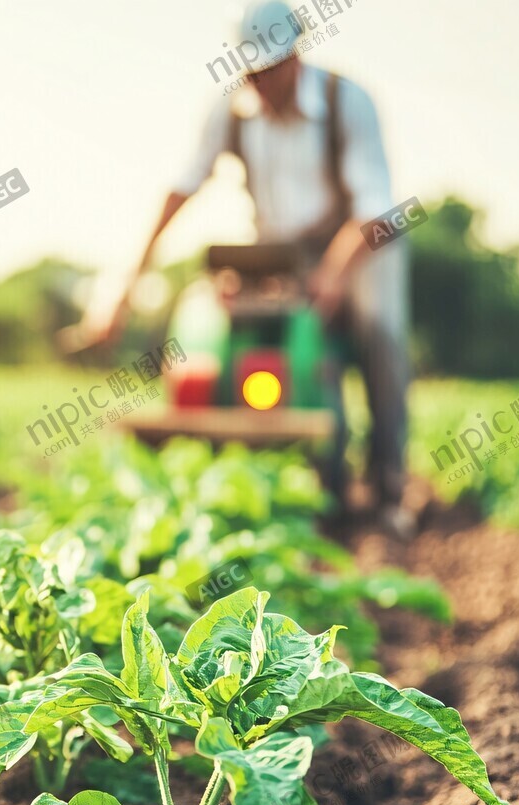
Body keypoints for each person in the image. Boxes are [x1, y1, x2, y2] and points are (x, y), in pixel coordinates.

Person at [89, 1, 414, 539]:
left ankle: (387, 491)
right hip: (278, 249)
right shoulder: (231, 112)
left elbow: (375, 207)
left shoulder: (346, 100)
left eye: (270, 69)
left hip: (360, 242)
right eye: (251, 72)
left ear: (295, 55)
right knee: (226, 326)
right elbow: (183, 186)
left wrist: (332, 275)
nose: (260, 82)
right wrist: (129, 280)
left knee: (380, 335)